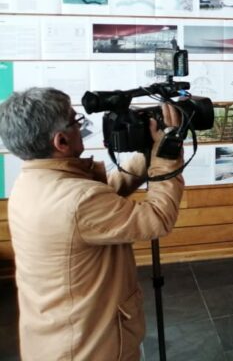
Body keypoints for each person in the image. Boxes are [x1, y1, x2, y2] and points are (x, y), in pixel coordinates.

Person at [0, 87, 184, 361]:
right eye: (77, 122)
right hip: (90, 346)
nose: (81, 127)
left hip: (54, 336)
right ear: (61, 141)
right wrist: (168, 155)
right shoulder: (78, 201)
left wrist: (148, 154)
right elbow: (156, 219)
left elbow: (101, 199)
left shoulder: (32, 183)